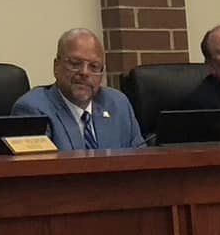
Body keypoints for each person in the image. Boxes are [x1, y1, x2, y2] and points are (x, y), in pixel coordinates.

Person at [12, 27, 144, 151]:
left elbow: (142, 161)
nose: (84, 73)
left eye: (94, 66)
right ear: (56, 67)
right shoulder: (32, 109)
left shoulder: (118, 104)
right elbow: (37, 170)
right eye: (75, 64)